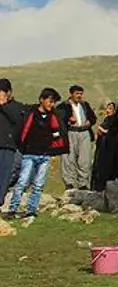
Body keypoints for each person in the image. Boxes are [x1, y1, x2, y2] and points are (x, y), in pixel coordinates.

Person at [6, 88, 69, 219]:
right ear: (41, 100)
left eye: (53, 102)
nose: (51, 104)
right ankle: (12, 209)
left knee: (39, 185)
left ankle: (31, 210)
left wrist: (54, 148)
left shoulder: (53, 117)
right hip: (29, 154)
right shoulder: (30, 114)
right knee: (22, 182)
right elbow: (22, 131)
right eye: (50, 101)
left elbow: (57, 134)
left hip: (45, 155)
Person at [57, 84, 97, 190]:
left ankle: (83, 183)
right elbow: (58, 119)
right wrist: (68, 120)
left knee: (85, 160)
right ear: (71, 94)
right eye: (77, 93)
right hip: (70, 132)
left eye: (81, 93)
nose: (79, 96)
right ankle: (69, 183)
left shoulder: (85, 105)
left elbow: (93, 117)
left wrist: (89, 122)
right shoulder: (63, 106)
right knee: (68, 159)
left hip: (84, 132)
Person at [0, 80, 25, 205]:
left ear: (9, 92)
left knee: (5, 176)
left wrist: (4, 105)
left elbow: (18, 122)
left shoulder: (16, 106)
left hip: (8, 146)